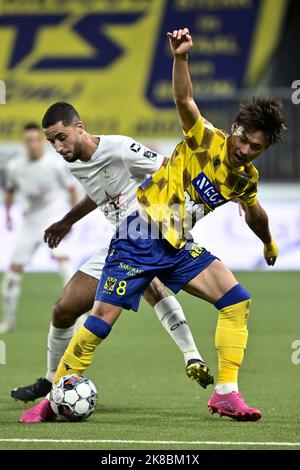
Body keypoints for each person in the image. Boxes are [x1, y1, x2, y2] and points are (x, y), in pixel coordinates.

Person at [20, 27, 286, 424]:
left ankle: (226, 394)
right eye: (244, 139)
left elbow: (255, 212)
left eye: (255, 148)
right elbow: (184, 99)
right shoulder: (204, 139)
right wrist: (181, 58)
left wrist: (267, 242)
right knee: (98, 323)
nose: (245, 150)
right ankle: (52, 399)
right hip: (137, 234)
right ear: (235, 128)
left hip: (177, 245)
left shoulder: (245, 177)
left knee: (236, 300)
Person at [12, 102, 213, 406]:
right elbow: (100, 193)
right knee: (63, 310)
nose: (57, 146)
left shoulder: (120, 148)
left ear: (79, 128)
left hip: (150, 232)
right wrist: (67, 221)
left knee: (151, 285)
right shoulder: (75, 162)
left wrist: (203, 200)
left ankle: (192, 356)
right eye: (51, 140)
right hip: (118, 243)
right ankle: (52, 379)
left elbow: (169, 169)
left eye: (61, 137)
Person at [0, 123, 77, 334]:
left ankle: (79, 314)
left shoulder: (54, 164)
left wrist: (70, 219)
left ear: (41, 141)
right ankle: (8, 320)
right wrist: (7, 214)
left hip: (52, 220)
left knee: (64, 263)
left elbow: (71, 189)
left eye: (36, 140)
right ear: (24, 143)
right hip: (29, 224)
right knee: (13, 271)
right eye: (28, 141)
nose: (33, 144)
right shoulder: (15, 166)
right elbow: (9, 191)